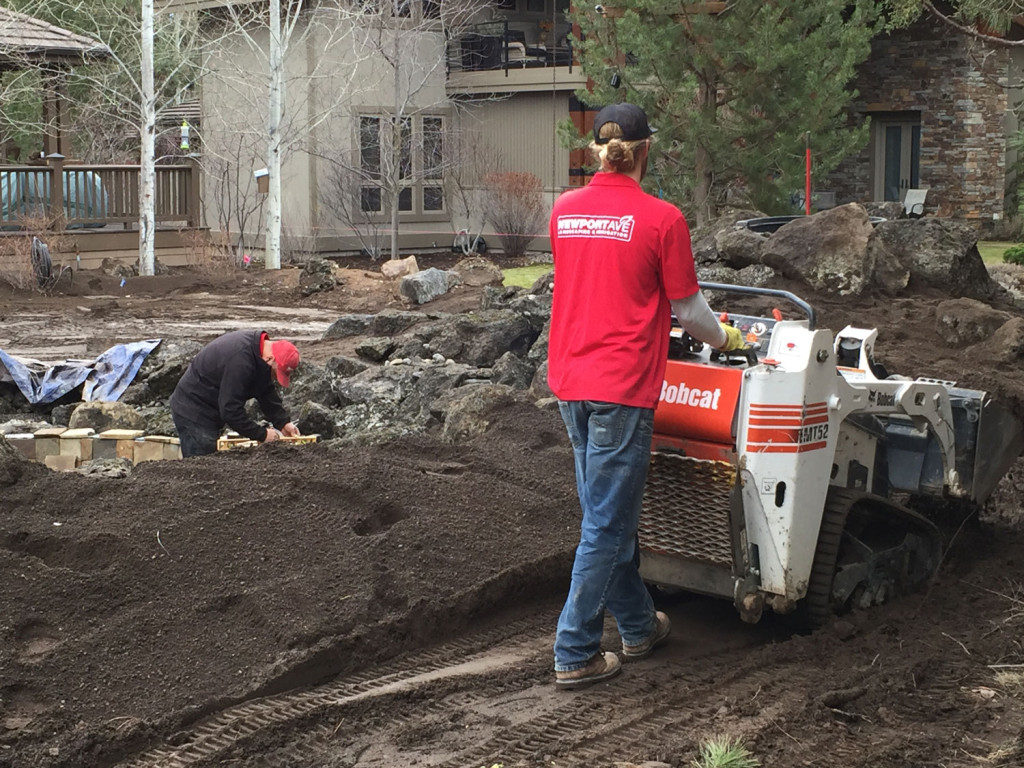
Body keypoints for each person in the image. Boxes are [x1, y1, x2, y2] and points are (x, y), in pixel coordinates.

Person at [547, 102, 745, 689]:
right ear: (647, 150)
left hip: (571, 382)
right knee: (607, 527)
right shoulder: (662, 219)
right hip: (622, 387)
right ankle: (574, 650)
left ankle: (638, 625)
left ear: (596, 151)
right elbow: (690, 312)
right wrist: (729, 338)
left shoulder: (564, 211)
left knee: (606, 518)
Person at [169, 329, 302, 458]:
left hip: (212, 406)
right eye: (275, 373)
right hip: (193, 409)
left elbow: (265, 390)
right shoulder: (240, 363)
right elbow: (230, 411)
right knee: (201, 464)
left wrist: (283, 422)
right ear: (270, 359)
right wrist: (262, 434)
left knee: (211, 459)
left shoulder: (260, 352)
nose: (275, 378)